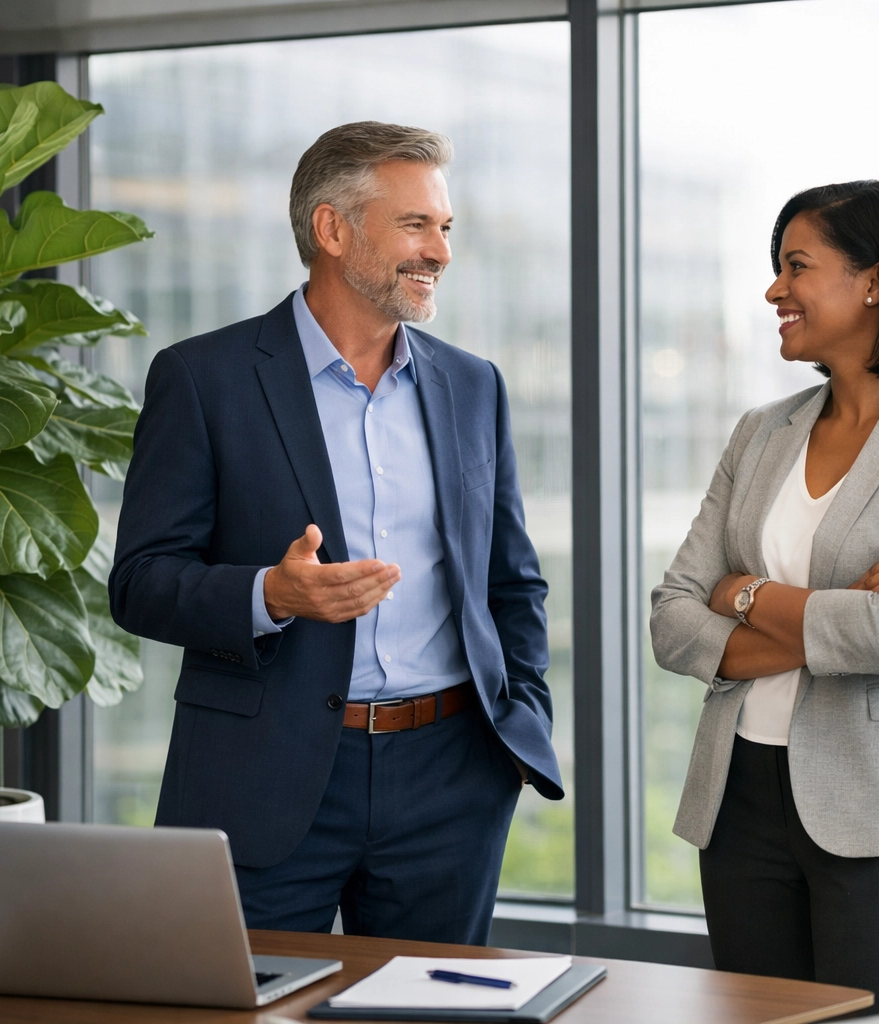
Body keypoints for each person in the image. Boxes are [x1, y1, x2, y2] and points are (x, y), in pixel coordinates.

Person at [110, 121, 561, 945]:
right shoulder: (203, 379)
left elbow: (511, 579)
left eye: (446, 228)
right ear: (332, 229)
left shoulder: (472, 385)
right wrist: (269, 594)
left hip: (451, 778)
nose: (441, 253)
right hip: (263, 776)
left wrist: (519, 714)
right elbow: (140, 582)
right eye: (416, 225)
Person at [649, 180, 879, 1013]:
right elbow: (673, 620)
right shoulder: (763, 429)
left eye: (796, 266)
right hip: (743, 791)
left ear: (876, 281)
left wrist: (742, 592)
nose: (774, 290)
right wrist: (831, 606)